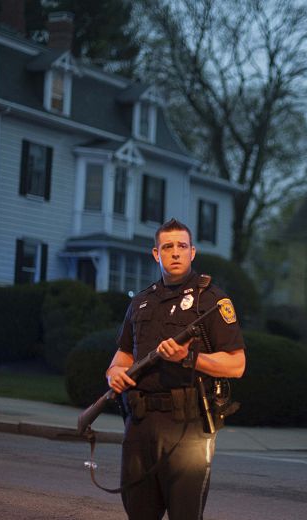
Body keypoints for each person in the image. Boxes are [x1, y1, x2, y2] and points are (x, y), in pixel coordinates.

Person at [106, 218, 246, 520]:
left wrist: (190, 357)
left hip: (188, 426)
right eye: (167, 246)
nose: (175, 252)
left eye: (182, 246)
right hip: (140, 425)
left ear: (192, 252)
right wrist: (113, 374)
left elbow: (237, 364)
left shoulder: (211, 299)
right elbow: (122, 357)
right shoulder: (141, 301)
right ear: (156, 254)